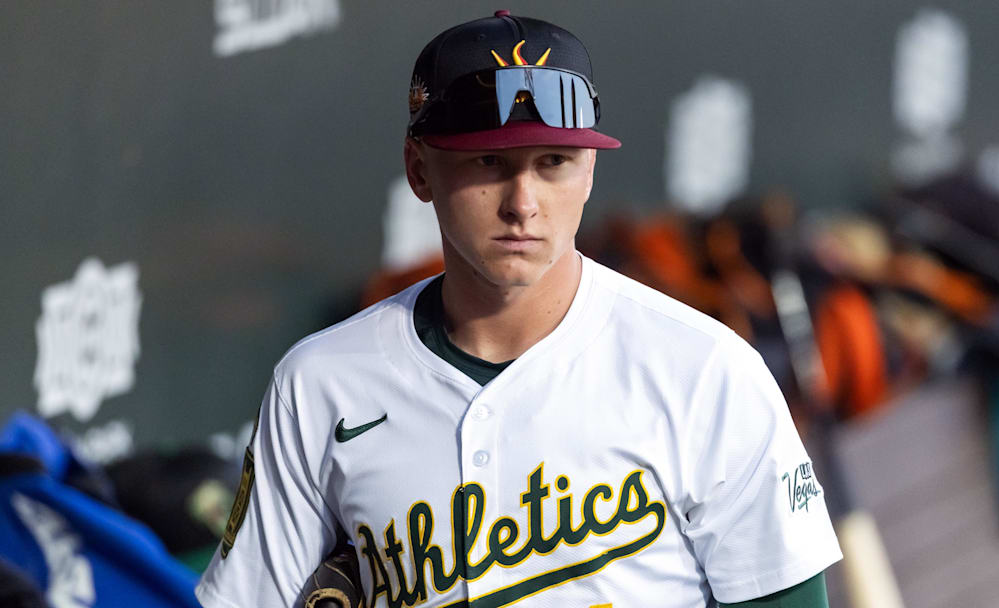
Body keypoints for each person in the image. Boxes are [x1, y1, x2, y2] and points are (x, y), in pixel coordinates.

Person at [196, 11, 842, 608]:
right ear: (419, 170)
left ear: (589, 173)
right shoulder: (320, 383)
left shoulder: (705, 369)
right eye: (488, 162)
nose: (522, 202)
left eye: (553, 162)